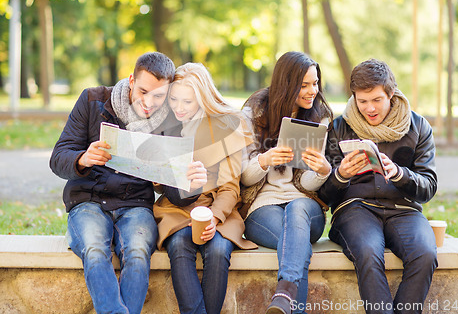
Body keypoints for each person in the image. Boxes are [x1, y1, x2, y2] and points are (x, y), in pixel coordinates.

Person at [50, 52, 207, 314]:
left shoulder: (170, 122)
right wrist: (83, 158)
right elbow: (58, 158)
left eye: (158, 96)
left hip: (135, 205)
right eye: (143, 91)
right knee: (94, 248)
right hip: (88, 199)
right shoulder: (92, 100)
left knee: (136, 252)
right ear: (132, 80)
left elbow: (178, 194)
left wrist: (192, 183)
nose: (148, 103)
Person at [319, 58, 438, 314]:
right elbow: (323, 195)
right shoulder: (340, 127)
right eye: (362, 101)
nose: (369, 108)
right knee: (368, 251)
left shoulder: (418, 127)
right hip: (356, 209)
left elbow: (428, 187)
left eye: (376, 100)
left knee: (425, 254)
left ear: (391, 94)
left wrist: (398, 174)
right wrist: (340, 175)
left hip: (403, 209)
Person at [153, 62, 256, 314]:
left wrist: (215, 216)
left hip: (217, 208)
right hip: (176, 209)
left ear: (202, 98)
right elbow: (157, 182)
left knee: (219, 250)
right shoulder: (164, 126)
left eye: (187, 102)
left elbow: (230, 187)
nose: (178, 107)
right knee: (178, 245)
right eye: (174, 99)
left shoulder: (226, 125)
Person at [240, 51, 334, 314]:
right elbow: (245, 178)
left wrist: (322, 170)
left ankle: (284, 294)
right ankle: (290, 298)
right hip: (262, 207)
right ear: (286, 84)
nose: (312, 91)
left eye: (315, 83)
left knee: (297, 208)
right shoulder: (253, 113)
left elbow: (308, 184)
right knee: (295, 243)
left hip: (306, 207)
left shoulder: (320, 116)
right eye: (304, 85)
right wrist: (265, 160)